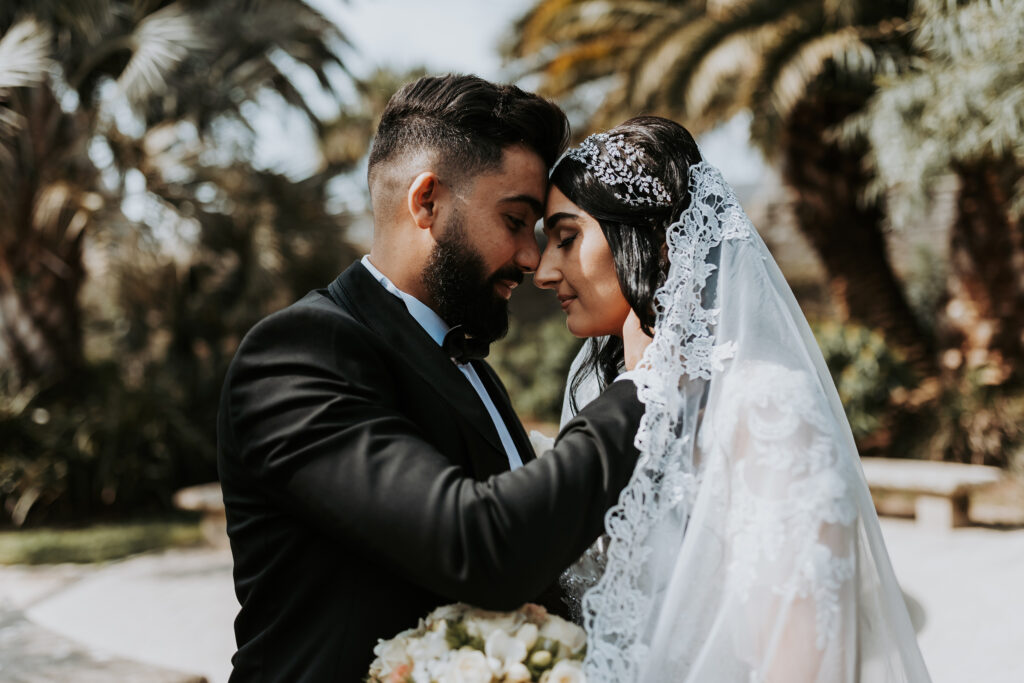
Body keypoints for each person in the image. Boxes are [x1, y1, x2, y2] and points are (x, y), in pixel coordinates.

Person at [216, 74, 651, 682]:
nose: (532, 259)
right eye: (515, 220)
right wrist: (641, 390)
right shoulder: (297, 352)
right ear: (426, 202)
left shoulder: (465, 359)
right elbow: (477, 543)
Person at [534, 116, 933, 682]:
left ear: (655, 239)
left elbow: (803, 661)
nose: (544, 271)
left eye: (566, 237)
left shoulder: (769, 409)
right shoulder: (605, 394)